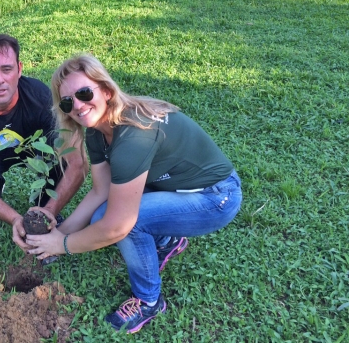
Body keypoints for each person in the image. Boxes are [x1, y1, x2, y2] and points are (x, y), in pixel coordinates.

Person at [26, 54, 242, 334]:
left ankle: (148, 300)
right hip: (173, 186)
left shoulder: (133, 135)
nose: (77, 106)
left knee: (125, 223)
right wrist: (59, 233)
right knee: (104, 213)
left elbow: (117, 226)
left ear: (105, 90)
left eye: (83, 93)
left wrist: (63, 244)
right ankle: (166, 240)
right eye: (68, 102)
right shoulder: (96, 129)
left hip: (216, 197)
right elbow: (100, 190)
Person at [0, 34, 86, 251]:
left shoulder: (41, 98)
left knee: (63, 161)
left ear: (19, 69)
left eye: (6, 69)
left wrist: (50, 209)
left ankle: (43, 208)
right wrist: (14, 218)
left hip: (34, 148)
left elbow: (77, 163)